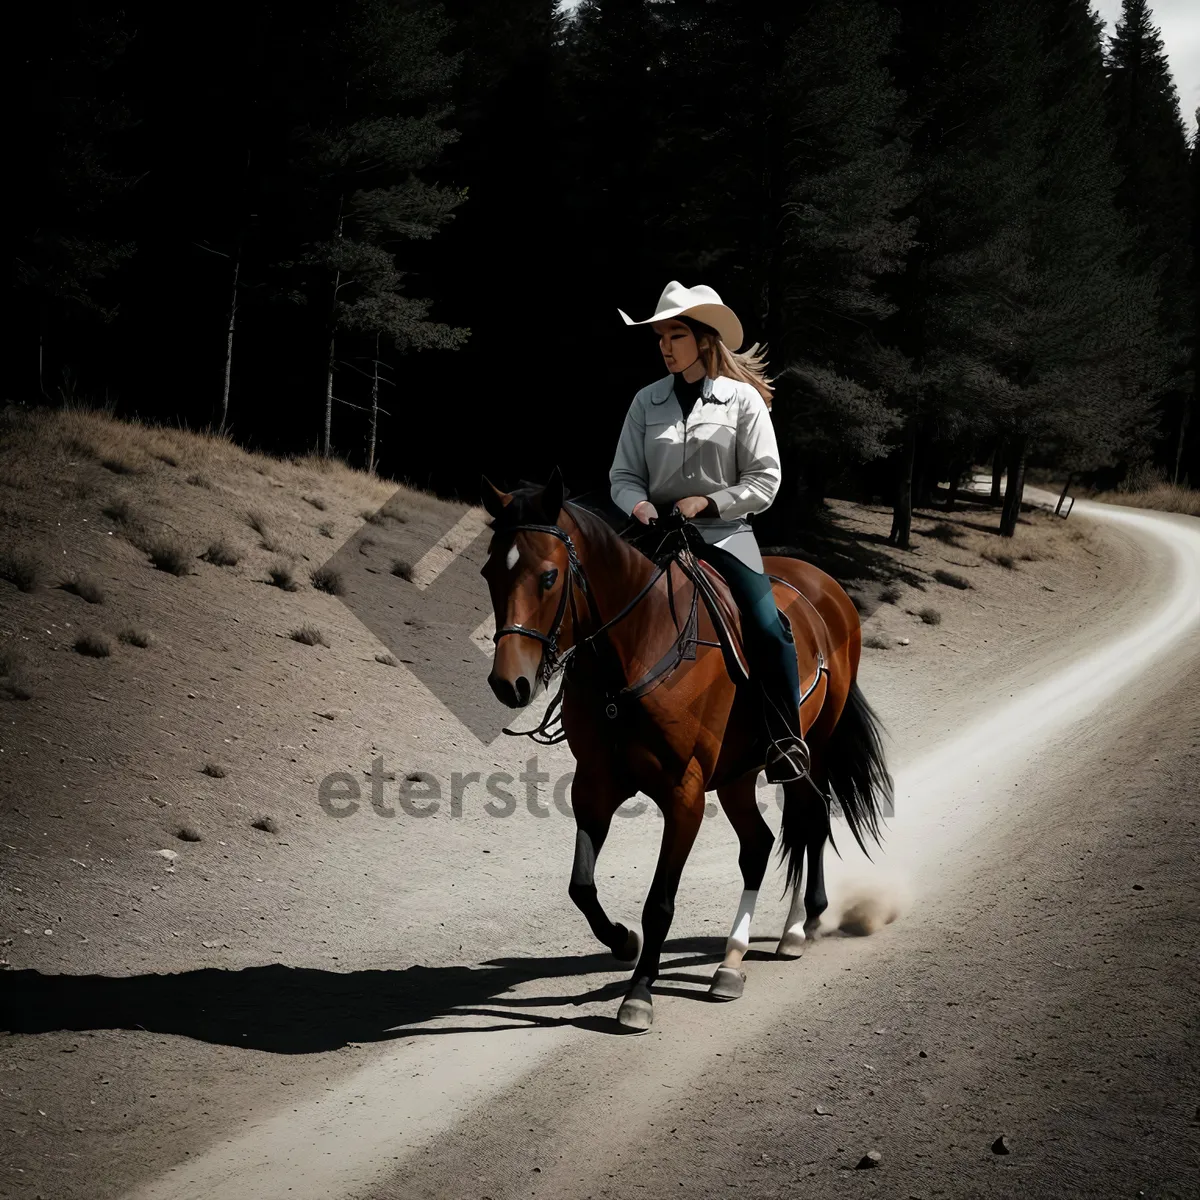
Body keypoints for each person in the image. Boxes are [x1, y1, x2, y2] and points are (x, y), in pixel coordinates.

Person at [609, 280, 810, 783]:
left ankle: (786, 739)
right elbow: (623, 475)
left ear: (701, 339)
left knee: (767, 626)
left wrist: (708, 500)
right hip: (654, 534)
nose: (664, 347)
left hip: (724, 535)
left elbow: (765, 479)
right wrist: (638, 506)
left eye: (674, 335)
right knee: (594, 601)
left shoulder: (742, 401)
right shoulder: (644, 402)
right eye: (659, 337)